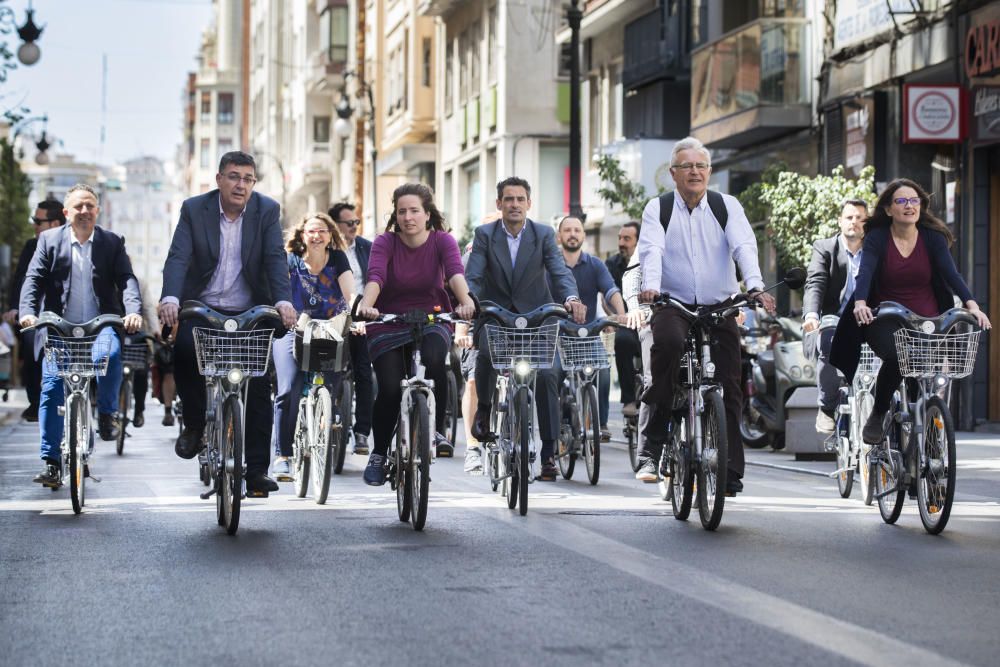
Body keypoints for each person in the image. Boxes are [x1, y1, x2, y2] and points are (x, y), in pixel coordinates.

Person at [636, 137, 774, 496]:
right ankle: (651, 446)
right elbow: (651, 249)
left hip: (718, 305)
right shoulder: (659, 208)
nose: (694, 172)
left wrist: (755, 286)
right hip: (673, 303)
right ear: (674, 173)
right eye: (687, 166)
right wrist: (650, 287)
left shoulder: (726, 206)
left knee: (730, 379)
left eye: (701, 166)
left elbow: (744, 245)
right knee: (665, 347)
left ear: (709, 172)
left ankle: (729, 470)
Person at [158, 151, 296, 495]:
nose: (241, 184)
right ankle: (193, 425)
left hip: (250, 310)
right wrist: (171, 298)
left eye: (248, 178)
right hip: (203, 307)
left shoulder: (266, 210)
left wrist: (282, 300)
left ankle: (257, 471)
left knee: (260, 380)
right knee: (186, 353)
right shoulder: (194, 209)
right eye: (234, 176)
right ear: (218, 179)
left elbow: (275, 258)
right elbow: (178, 257)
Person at [830, 179, 991, 444]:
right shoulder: (877, 238)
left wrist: (972, 306)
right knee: (898, 358)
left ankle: (925, 439)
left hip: (928, 321)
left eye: (914, 200)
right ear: (889, 209)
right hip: (885, 318)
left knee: (927, 376)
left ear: (921, 206)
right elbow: (866, 272)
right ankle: (879, 412)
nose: (909, 206)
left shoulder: (932, 238)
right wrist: (860, 303)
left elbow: (952, 274)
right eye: (901, 201)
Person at [18, 184, 142, 487]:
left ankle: (107, 415)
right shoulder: (48, 241)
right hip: (59, 328)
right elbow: (33, 279)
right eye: (78, 207)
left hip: (100, 325)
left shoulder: (111, 242)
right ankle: (51, 462)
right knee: (50, 387)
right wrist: (28, 311)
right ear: (66, 213)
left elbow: (126, 279)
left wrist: (133, 310)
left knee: (111, 355)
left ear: (97, 210)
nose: (85, 211)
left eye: (90, 206)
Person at [465, 177, 586, 482]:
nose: (515, 204)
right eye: (508, 199)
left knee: (547, 375)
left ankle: (547, 455)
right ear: (499, 204)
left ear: (529, 204)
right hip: (496, 316)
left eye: (520, 199)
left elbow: (559, 272)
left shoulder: (544, 234)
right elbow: (475, 276)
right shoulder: (484, 234)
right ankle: (484, 409)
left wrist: (571, 298)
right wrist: (468, 301)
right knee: (486, 354)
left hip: (537, 318)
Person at [355, 183, 475, 485]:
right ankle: (379, 453)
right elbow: (376, 277)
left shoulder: (442, 241)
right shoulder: (385, 242)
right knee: (391, 389)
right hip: (388, 319)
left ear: (427, 213)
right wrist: (367, 307)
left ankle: (434, 428)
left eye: (414, 211)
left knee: (437, 358)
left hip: (433, 314)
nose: (408, 217)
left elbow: (455, 273)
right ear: (395, 215)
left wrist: (467, 302)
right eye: (402, 211)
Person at [270, 212, 353, 480]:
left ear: (331, 236)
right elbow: (280, 291)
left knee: (333, 380)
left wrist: (355, 315)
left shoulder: (338, 259)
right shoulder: (290, 260)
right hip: (291, 328)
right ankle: (282, 455)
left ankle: (330, 415)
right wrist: (286, 314)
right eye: (311, 231)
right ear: (302, 236)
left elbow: (349, 294)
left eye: (323, 231)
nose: (317, 236)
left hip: (329, 328)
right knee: (289, 387)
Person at [555, 216, 625, 440]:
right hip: (557, 336)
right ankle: (553, 424)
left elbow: (610, 290)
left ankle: (600, 423)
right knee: (552, 375)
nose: (573, 234)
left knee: (603, 372)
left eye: (577, 230)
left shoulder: (595, 264)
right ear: (560, 236)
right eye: (567, 230)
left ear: (583, 235)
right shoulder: (552, 265)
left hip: (588, 335)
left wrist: (621, 314)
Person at [802, 198, 867, 433]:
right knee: (829, 339)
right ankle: (827, 407)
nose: (855, 222)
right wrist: (811, 314)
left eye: (860, 218)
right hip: (834, 317)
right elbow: (816, 283)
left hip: (869, 319)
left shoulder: (875, 250)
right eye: (850, 217)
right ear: (840, 221)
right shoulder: (825, 247)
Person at [3, 199, 66, 422]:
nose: (34, 225)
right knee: (31, 349)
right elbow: (20, 278)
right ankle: (35, 402)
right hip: (34, 313)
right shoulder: (32, 246)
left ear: (55, 222)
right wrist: (13, 307)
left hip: (65, 314)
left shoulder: (73, 243)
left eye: (39, 221)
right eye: (34, 221)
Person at [329, 202, 374, 456]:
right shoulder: (327, 249)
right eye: (349, 223)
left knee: (364, 371)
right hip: (331, 315)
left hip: (361, 315)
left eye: (357, 222)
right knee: (330, 368)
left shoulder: (367, 248)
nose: (354, 227)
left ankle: (362, 432)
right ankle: (329, 416)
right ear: (336, 225)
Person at [605, 222, 642, 416]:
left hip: (648, 322)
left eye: (626, 239)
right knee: (623, 341)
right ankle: (628, 399)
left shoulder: (648, 263)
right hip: (625, 323)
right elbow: (606, 295)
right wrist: (614, 317)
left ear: (638, 241)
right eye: (620, 238)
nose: (621, 243)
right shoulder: (612, 264)